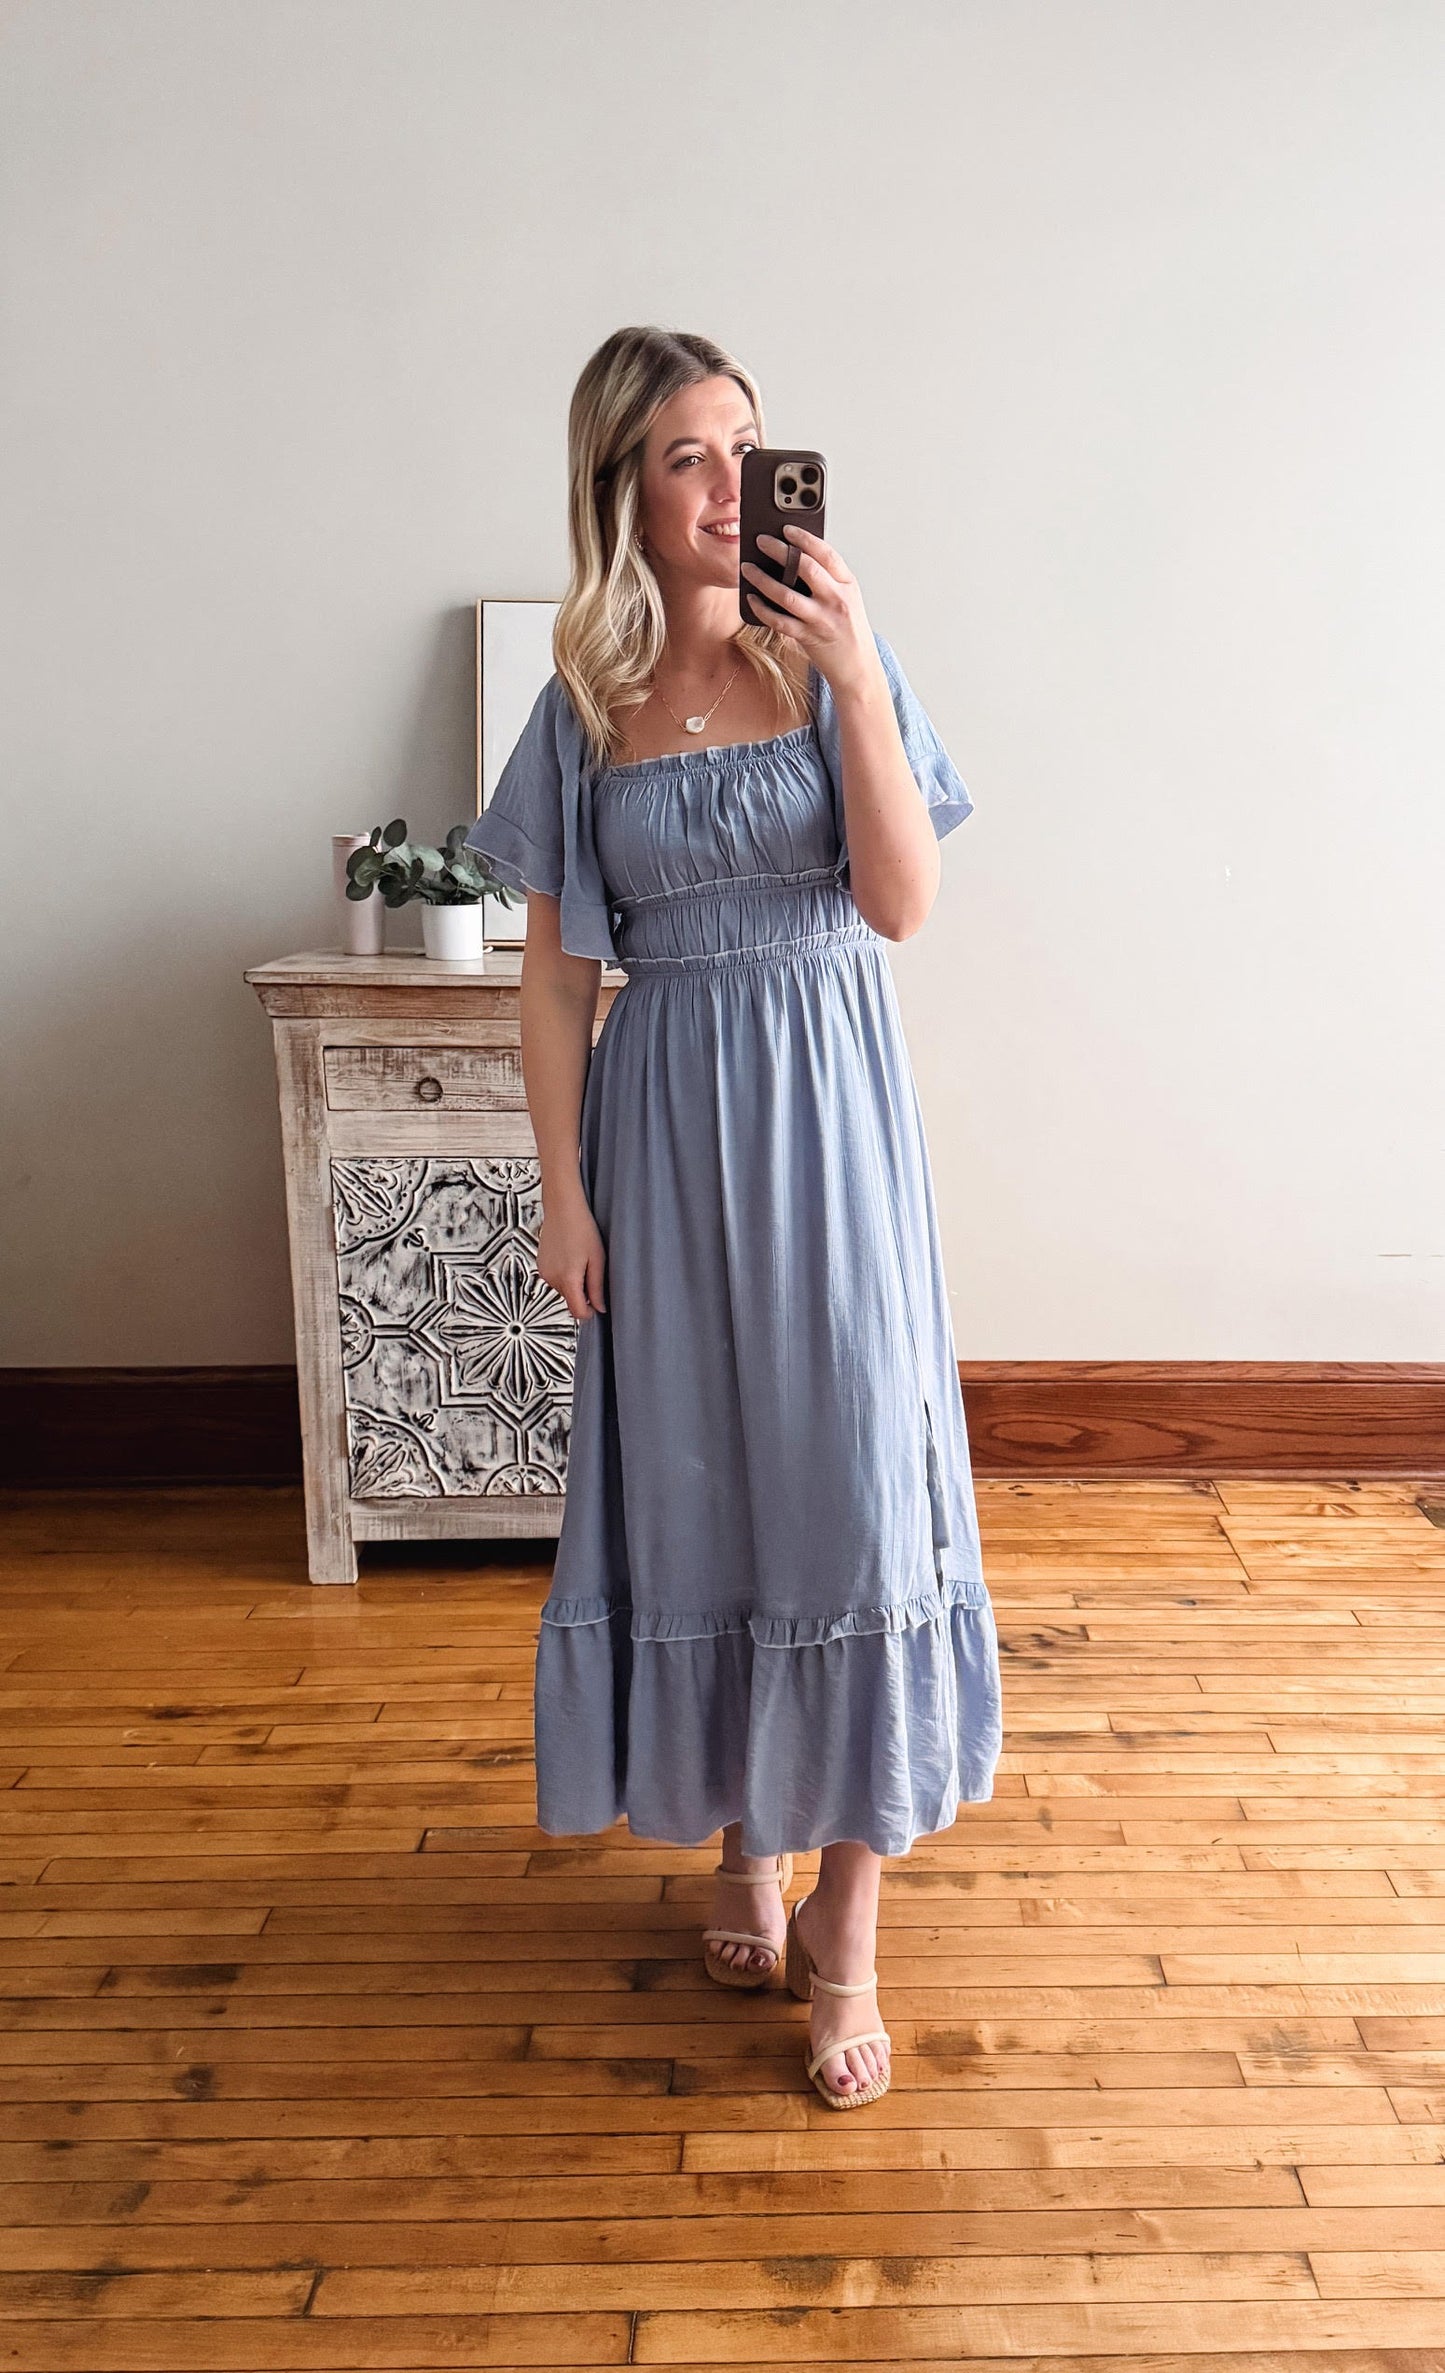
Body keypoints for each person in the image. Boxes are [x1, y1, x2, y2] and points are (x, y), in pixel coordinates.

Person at [465, 325, 1002, 2110]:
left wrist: (852, 672)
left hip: (830, 1121)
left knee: (847, 1496)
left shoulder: (830, 652)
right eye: (687, 456)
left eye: (746, 448)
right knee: (702, 1494)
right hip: (661, 1138)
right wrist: (559, 1187)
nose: (725, 486)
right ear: (622, 482)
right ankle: (743, 1847)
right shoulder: (585, 698)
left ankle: (849, 1925)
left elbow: (904, 906)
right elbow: (553, 980)